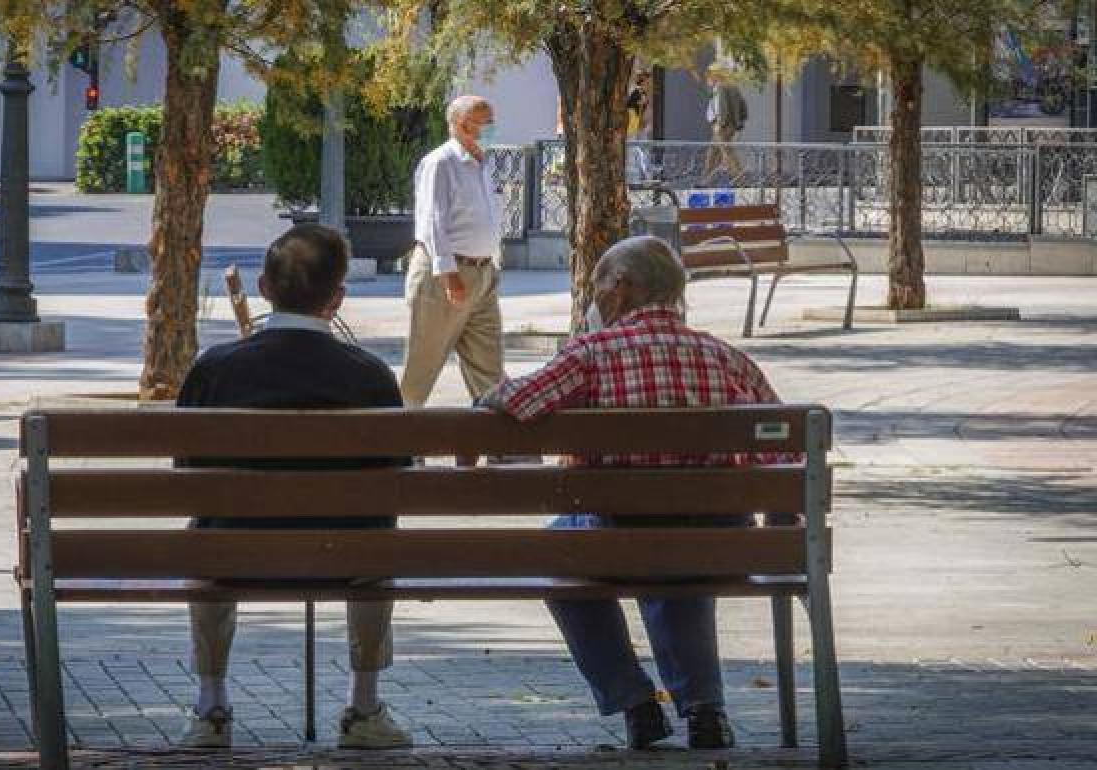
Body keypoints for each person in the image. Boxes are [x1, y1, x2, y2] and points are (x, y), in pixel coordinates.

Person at [477, 236, 787, 751]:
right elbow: (782, 456)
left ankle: (635, 703)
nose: (594, 296)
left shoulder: (591, 355)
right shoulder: (726, 357)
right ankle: (706, 711)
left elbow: (519, 402)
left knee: (563, 555)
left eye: (597, 284)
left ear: (619, 289)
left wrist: (488, 392)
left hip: (619, 536)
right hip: (721, 544)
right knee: (676, 545)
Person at [176, 224, 412, 750]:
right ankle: (365, 709)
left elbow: (186, 470)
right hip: (348, 555)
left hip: (233, 551)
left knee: (205, 529)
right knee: (379, 538)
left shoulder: (215, 370)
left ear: (263, 288)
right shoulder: (370, 375)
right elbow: (396, 480)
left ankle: (211, 709)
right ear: (338, 298)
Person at [402, 94, 504, 408]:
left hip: (484, 274)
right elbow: (432, 221)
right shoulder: (441, 162)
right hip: (447, 274)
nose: (492, 128)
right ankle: (398, 447)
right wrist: (449, 275)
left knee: (490, 370)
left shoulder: (483, 162)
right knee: (422, 368)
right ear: (462, 124)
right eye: (485, 122)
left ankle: (501, 449)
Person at [703, 67, 747, 183]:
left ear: (714, 77)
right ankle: (707, 180)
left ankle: (740, 180)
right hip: (725, 125)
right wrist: (739, 123)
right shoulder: (731, 87)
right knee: (714, 152)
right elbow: (743, 107)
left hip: (722, 126)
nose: (707, 81)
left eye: (708, 78)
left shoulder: (721, 87)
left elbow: (723, 107)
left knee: (726, 152)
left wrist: (720, 123)